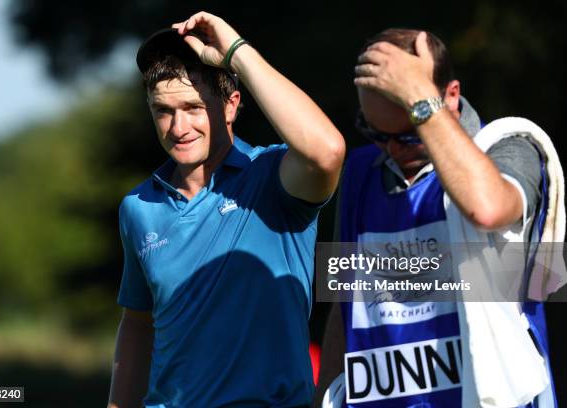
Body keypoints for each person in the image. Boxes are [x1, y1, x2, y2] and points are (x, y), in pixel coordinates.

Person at [107, 11, 346, 408]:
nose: (178, 127)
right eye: (163, 111)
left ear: (231, 104)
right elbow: (138, 322)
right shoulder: (138, 206)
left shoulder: (271, 177)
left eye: (193, 107)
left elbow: (327, 152)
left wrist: (236, 51)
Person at [314, 29, 562, 407]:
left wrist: (419, 100)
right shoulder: (361, 171)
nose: (394, 149)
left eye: (410, 134)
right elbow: (343, 300)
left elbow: (487, 208)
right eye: (377, 133)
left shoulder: (508, 146)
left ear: (451, 95)